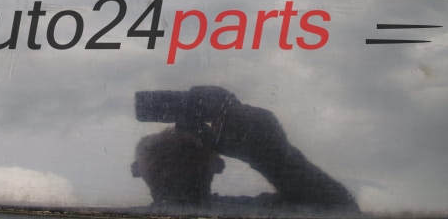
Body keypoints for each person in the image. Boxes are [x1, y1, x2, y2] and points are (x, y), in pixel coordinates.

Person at [131, 86, 359, 214]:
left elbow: (341, 212)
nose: (174, 159)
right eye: (155, 150)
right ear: (136, 169)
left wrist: (270, 153)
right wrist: (273, 155)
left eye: (188, 149)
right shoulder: (254, 212)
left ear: (218, 164)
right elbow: (337, 207)